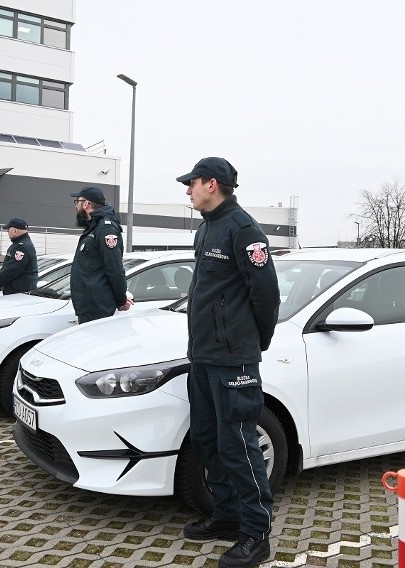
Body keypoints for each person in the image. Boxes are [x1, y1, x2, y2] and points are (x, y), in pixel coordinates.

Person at [176, 157, 281, 568]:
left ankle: (256, 533)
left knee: (238, 444)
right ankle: (225, 515)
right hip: (202, 356)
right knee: (208, 438)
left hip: (233, 359)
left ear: (213, 184)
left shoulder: (244, 230)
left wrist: (256, 341)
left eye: (192, 183)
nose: (188, 190)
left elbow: (266, 294)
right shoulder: (206, 229)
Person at [69, 186, 133, 323]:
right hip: (89, 307)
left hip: (97, 308)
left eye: (77, 202)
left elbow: (114, 267)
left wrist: (121, 299)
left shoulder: (105, 228)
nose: (76, 206)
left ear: (86, 204)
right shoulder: (94, 227)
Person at [0, 217, 38, 295]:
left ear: (15, 231)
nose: (7, 232)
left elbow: (11, 270)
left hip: (18, 293)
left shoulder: (21, 247)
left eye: (8, 230)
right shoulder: (21, 244)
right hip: (17, 292)